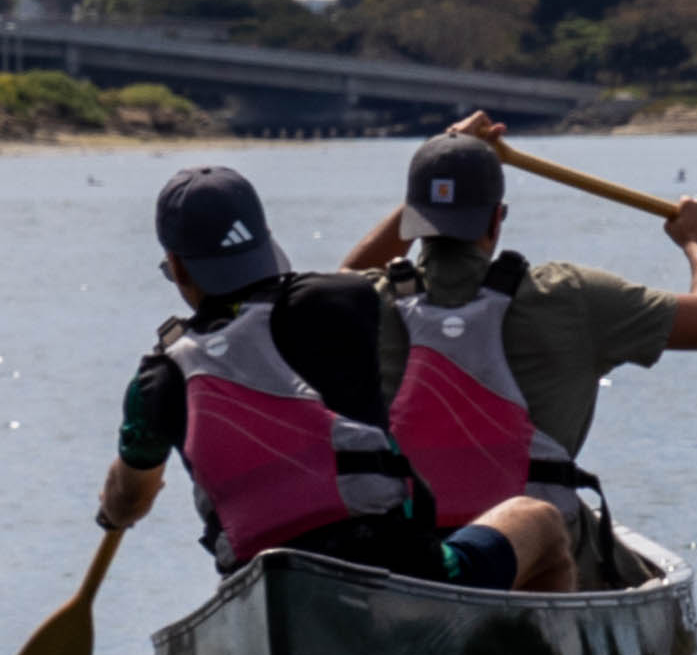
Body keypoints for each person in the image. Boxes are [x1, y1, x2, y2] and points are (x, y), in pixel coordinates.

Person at [337, 115, 697, 591]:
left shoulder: (361, 304)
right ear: (496, 219)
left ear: (413, 220)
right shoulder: (571, 296)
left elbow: (344, 277)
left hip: (409, 553)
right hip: (539, 559)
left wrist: (438, 174)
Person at [97, 163, 459, 582]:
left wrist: (111, 511)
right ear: (265, 243)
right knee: (533, 520)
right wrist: (424, 196)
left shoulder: (157, 381)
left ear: (177, 268)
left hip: (262, 577)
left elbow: (129, 498)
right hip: (394, 558)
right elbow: (354, 274)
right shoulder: (342, 302)